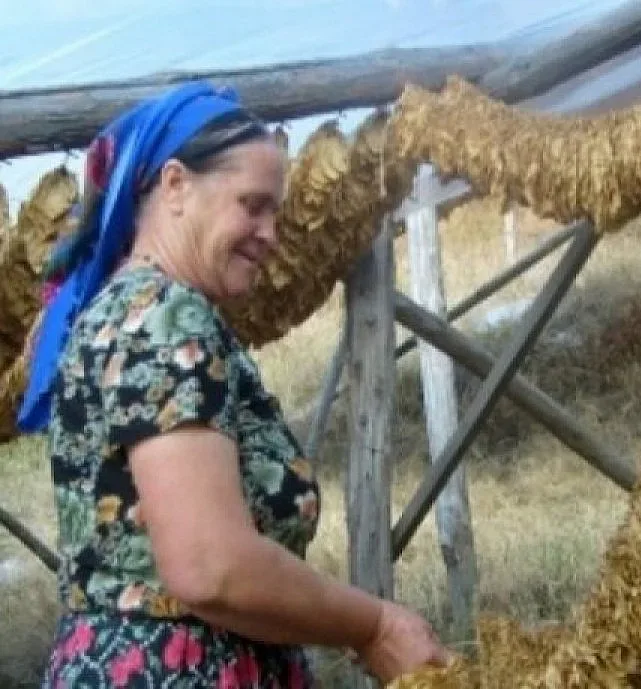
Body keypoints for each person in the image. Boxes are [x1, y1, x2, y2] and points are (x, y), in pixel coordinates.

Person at [18, 82, 451, 688]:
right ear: (175, 186)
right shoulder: (165, 319)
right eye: (252, 205)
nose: (270, 232)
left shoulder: (121, 310)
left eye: (274, 210)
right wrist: (373, 624)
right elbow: (209, 568)